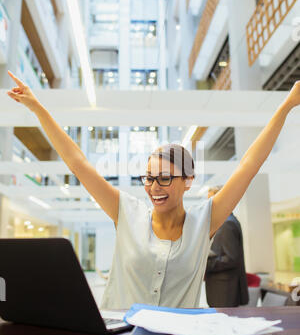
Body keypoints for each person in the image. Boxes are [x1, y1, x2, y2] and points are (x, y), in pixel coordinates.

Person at [6, 70, 300, 308]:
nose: (153, 187)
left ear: (188, 181)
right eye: (148, 178)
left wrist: (286, 106)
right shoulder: (126, 212)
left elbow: (248, 166)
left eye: (164, 178)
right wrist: (37, 108)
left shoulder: (205, 221)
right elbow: (78, 163)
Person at [205, 186, 249, 308]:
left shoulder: (227, 223)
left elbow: (230, 259)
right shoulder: (225, 221)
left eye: (211, 200)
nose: (208, 205)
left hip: (224, 289)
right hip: (222, 289)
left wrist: (204, 263)